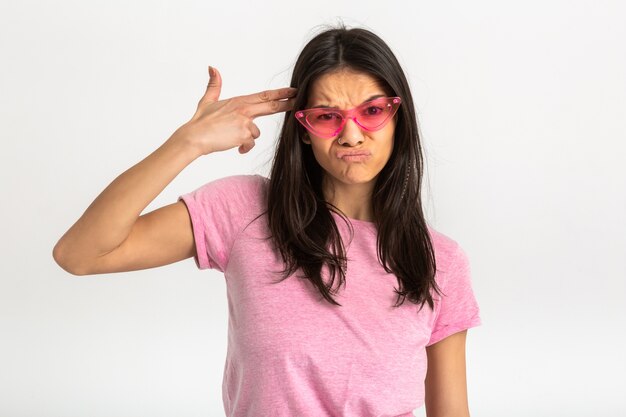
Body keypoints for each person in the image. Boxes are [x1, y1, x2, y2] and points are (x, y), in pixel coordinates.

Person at [53, 23, 481, 417]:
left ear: (397, 117)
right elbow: (81, 254)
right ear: (303, 128)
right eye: (327, 117)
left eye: (371, 111)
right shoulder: (245, 210)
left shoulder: (441, 260)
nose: (351, 134)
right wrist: (188, 143)